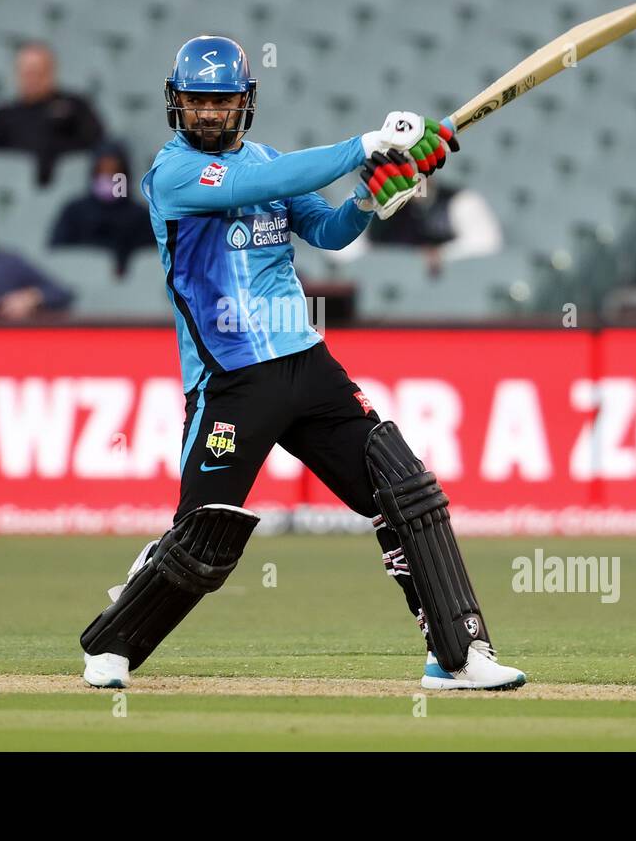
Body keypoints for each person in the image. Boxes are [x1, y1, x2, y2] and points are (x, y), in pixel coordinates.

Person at [79, 35, 525, 692]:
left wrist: (373, 197)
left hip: (306, 366)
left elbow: (329, 231)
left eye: (220, 101)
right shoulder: (172, 174)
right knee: (204, 538)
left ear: (245, 102)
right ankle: (114, 640)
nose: (207, 113)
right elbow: (265, 182)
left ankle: (459, 656)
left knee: (405, 492)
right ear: (176, 104)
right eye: (197, 101)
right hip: (230, 380)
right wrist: (366, 145)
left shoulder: (265, 161)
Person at [0, 42, 104, 185]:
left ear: (52, 72)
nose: (32, 79)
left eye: (38, 72)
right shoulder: (3, 115)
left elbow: (98, 147)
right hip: (12, 190)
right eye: (27, 73)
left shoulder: (75, 106)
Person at [48, 139, 154, 276]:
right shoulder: (74, 211)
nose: (108, 176)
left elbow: (147, 262)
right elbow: (58, 254)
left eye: (114, 171)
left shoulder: (141, 216)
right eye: (102, 171)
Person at [368, 172, 502, 274]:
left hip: (454, 281)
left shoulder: (461, 200)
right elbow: (352, 248)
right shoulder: (376, 202)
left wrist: (441, 254)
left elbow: (488, 243)